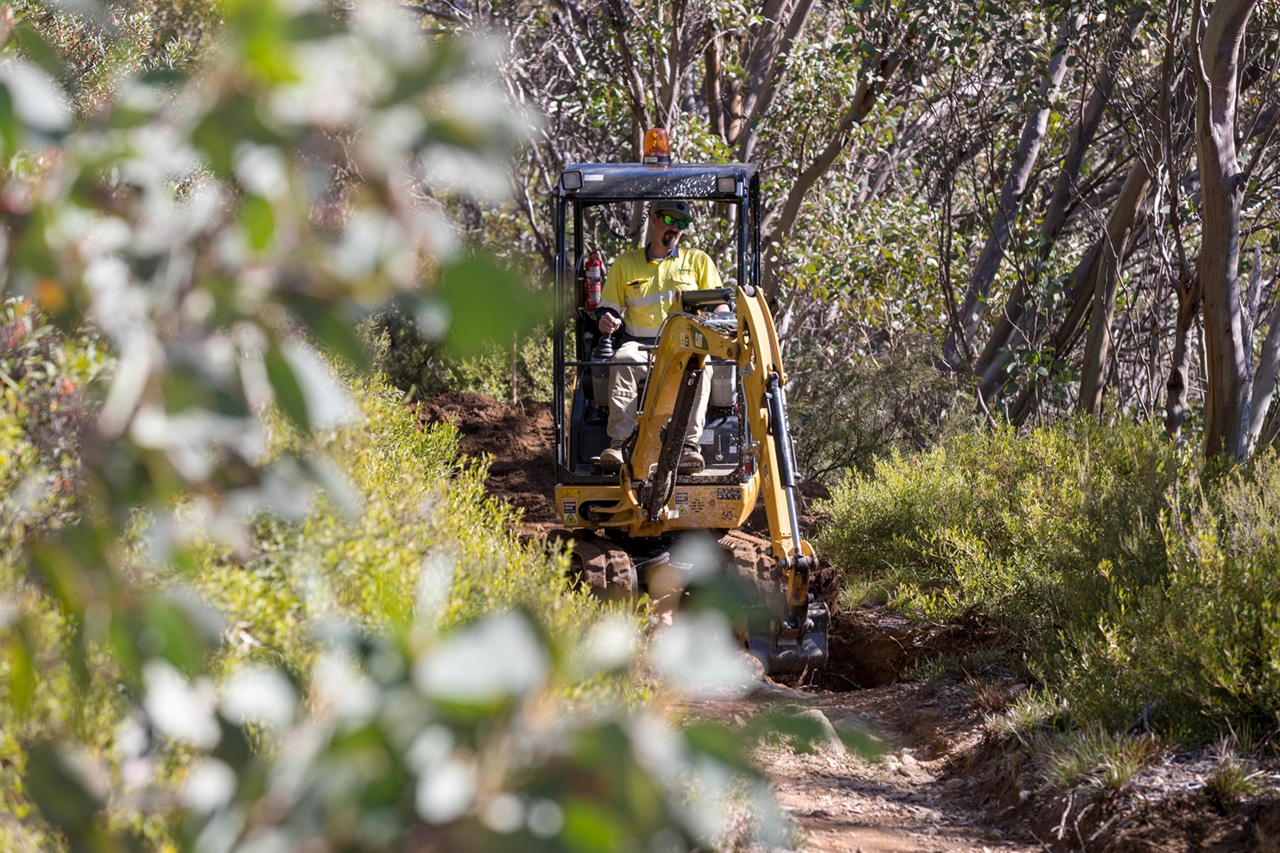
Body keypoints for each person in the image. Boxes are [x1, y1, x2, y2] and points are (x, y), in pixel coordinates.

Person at [595, 200, 725, 473]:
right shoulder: (625, 264)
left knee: (703, 367)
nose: (675, 229)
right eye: (670, 221)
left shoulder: (697, 261)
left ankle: (689, 448)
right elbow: (608, 307)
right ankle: (620, 446)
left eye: (681, 225)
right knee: (621, 360)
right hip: (640, 348)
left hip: (683, 349)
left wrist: (725, 315)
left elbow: (718, 304)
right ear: (654, 219)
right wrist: (607, 319)